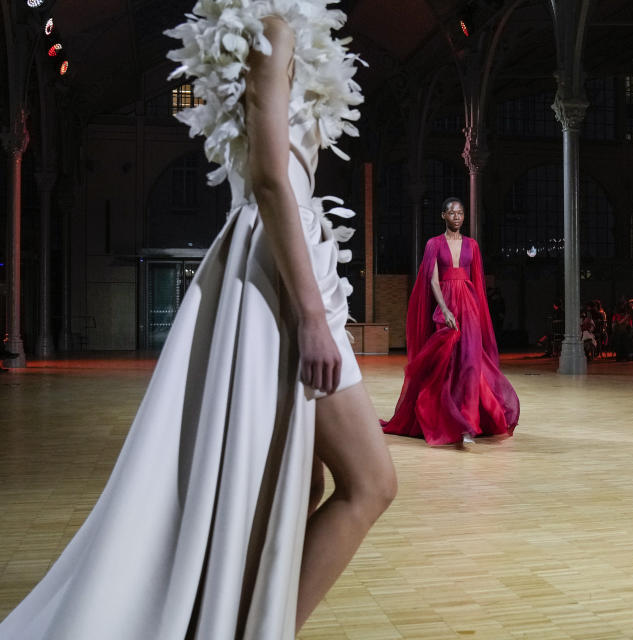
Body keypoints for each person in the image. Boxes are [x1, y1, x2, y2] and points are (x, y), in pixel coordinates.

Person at [0, 4, 397, 638]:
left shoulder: (268, 31)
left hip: (279, 262)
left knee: (302, 486)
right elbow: (270, 176)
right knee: (371, 483)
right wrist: (313, 316)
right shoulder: (274, 30)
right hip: (279, 270)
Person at [380, 198, 519, 446]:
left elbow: (477, 280)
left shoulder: (472, 245)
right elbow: (432, 280)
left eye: (461, 213)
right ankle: (446, 420)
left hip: (469, 308)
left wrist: (476, 310)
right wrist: (444, 310)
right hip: (446, 306)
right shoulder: (433, 244)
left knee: (470, 366)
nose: (457, 216)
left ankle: (468, 424)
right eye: (452, 212)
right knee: (445, 366)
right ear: (443, 215)